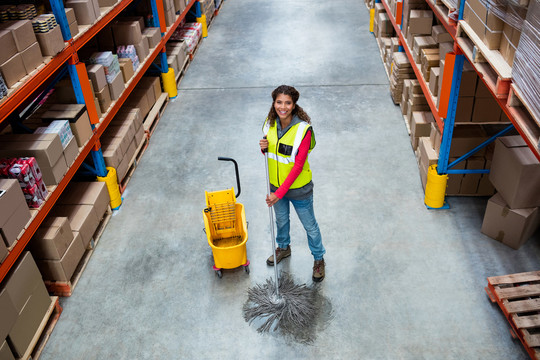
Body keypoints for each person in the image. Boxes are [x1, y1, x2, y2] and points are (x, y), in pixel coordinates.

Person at [259, 85, 326, 282]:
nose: (283, 107)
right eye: (279, 102)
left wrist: (279, 193)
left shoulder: (303, 130)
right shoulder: (269, 123)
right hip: (275, 186)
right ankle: (283, 248)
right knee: (281, 221)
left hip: (299, 190)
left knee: (310, 226)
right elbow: (272, 153)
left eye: (287, 103)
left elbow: (297, 167)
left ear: (294, 105)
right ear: (274, 103)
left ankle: (319, 259)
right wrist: (263, 148)